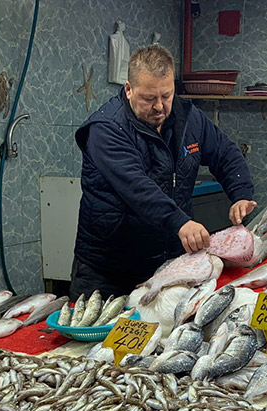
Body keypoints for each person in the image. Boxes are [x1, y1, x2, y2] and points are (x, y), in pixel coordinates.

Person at [71, 44, 256, 298]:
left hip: (169, 263)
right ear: (128, 89)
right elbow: (137, 188)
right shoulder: (107, 129)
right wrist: (180, 222)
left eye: (166, 96)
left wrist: (241, 193)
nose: (159, 107)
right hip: (108, 272)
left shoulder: (189, 117)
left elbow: (225, 152)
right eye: (149, 98)